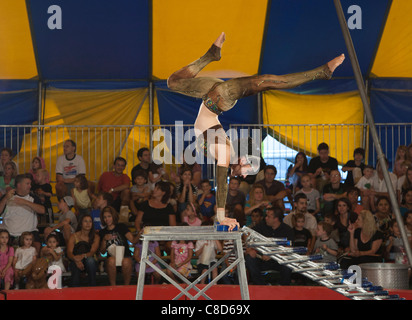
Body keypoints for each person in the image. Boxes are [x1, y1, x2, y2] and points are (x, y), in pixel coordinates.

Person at [167, 32, 345, 230]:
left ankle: (321, 72)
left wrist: (220, 216)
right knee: (173, 81)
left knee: (269, 81)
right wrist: (221, 214)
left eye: (246, 171)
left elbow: (221, 182)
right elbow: (222, 179)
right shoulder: (227, 152)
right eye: (247, 171)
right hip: (218, 96)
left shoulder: (225, 155)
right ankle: (212, 54)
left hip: (215, 96)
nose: (243, 175)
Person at [245, 207, 295, 285]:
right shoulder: (261, 226)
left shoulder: (287, 230)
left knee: (288, 264)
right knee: (249, 258)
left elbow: (289, 249)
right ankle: (260, 286)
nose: (266, 218)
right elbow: (247, 234)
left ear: (276, 219)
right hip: (262, 259)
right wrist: (250, 248)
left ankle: (283, 287)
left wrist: (272, 254)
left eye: (268, 217)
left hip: (278, 260)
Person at [0, 174, 46, 253]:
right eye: (27, 184)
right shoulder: (7, 196)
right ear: (19, 185)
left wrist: (25, 202)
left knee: (37, 245)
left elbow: (42, 210)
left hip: (28, 233)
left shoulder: (33, 198)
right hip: (8, 234)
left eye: (30, 184)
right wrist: (5, 199)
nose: (30, 186)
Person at [99, 206, 137, 286]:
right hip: (111, 258)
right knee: (111, 260)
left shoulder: (121, 227)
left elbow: (133, 240)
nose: (107, 219)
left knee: (126, 262)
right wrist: (104, 240)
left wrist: (140, 234)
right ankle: (113, 287)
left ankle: (126, 286)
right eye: (105, 217)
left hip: (125, 256)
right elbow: (102, 251)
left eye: (109, 216)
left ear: (113, 216)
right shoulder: (102, 232)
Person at [66, 214, 100, 287]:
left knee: (90, 261)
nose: (88, 224)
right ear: (81, 224)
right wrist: (76, 260)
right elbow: (69, 252)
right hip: (75, 259)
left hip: (90, 260)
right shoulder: (73, 236)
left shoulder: (96, 237)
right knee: (75, 265)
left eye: (90, 221)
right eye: (85, 221)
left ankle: (92, 288)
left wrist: (82, 256)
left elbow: (92, 252)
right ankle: (74, 293)